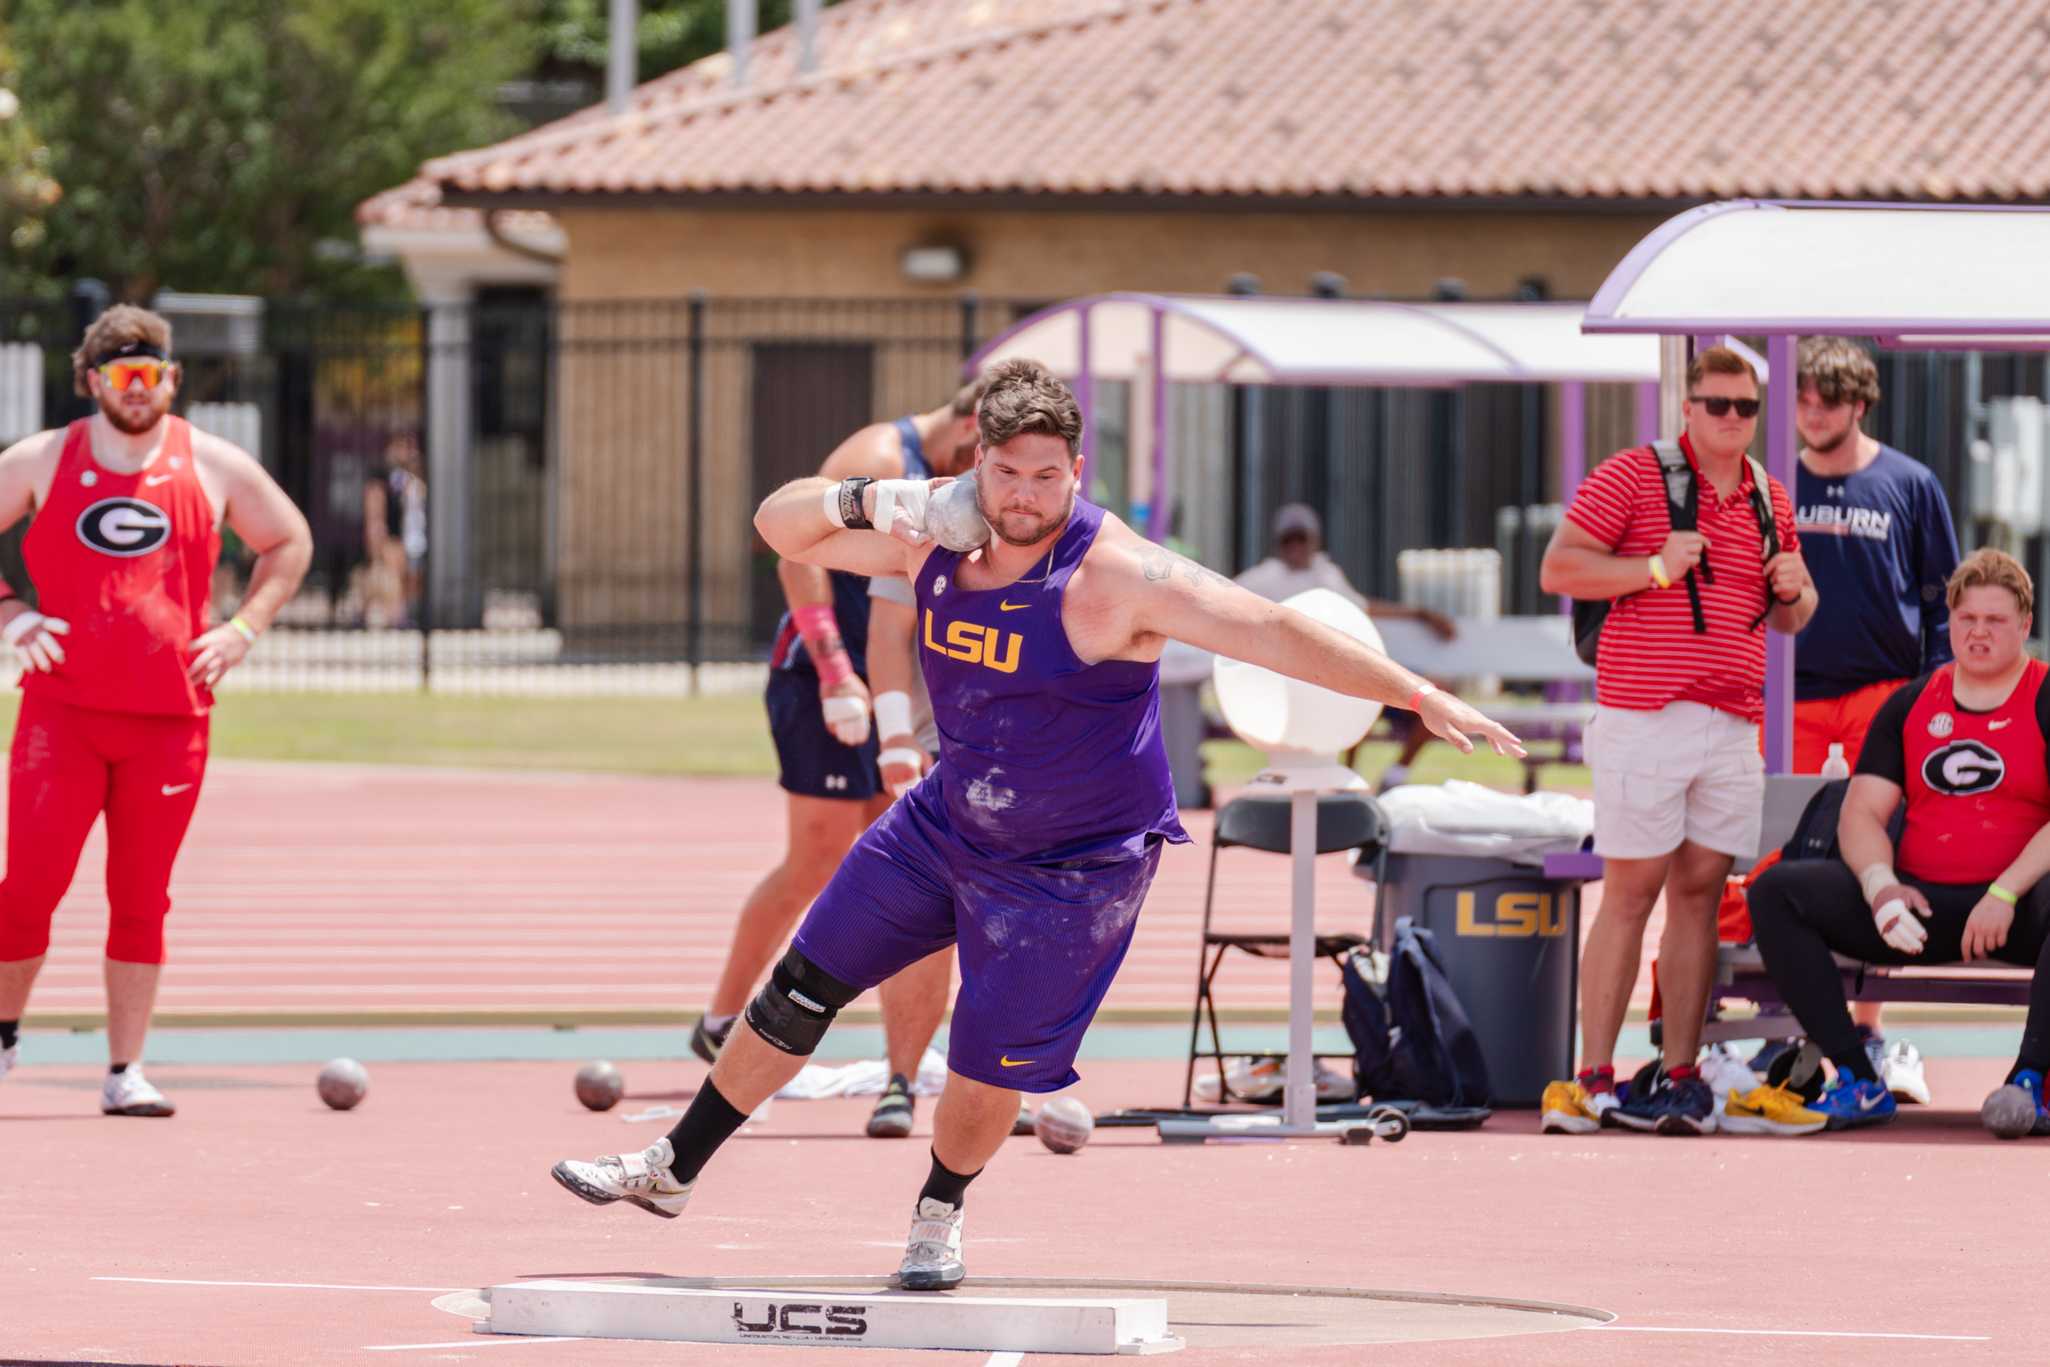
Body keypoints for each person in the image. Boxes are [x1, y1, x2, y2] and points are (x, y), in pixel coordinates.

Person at [552, 359, 1522, 1289]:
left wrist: (1416, 692)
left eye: (1044, 476)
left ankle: (939, 1210)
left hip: (1075, 865)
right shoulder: (930, 537)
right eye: (1005, 472)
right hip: (949, 815)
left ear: (1076, 473)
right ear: (974, 460)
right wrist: (880, 501)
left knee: (985, 1062)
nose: (1022, 495)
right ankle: (673, 1164)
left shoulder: (1119, 576)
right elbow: (779, 525)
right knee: (802, 983)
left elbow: (1267, 627)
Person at [0, 305, 312, 1114]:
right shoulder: (43, 459)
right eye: (119, 377)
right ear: (91, 382)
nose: (136, 393)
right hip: (60, 717)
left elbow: (289, 540)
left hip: (171, 723)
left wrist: (244, 629)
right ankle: (2, 1034)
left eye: (150, 376)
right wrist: (10, 613)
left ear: (173, 379)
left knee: (142, 897)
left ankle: (123, 1069)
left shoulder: (211, 463)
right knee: (28, 888)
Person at [689, 378, 988, 1143]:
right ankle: (722, 1019)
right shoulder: (881, 453)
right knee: (817, 857)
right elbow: (796, 557)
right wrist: (833, 669)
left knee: (906, 874)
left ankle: (901, 1071)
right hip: (826, 680)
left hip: (894, 694)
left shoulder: (970, 477)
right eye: (985, 454)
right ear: (967, 425)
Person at [1536, 345, 1815, 1137]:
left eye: (1746, 407)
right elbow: (1560, 568)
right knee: (1631, 891)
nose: (1732, 419)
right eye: (1716, 403)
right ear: (1687, 407)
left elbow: (1793, 613)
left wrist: (1797, 589)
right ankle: (1591, 1076)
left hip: (1732, 725)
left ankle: (1680, 1071)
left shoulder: (1769, 493)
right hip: (1644, 715)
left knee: (1699, 893)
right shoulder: (1634, 473)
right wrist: (1654, 567)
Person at [1729, 550, 2050, 1135]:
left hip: (2018, 912)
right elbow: (1861, 814)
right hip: (1919, 910)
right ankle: (1856, 1076)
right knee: (1778, 891)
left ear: (2025, 625)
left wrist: (2005, 892)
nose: (1978, 632)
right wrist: (1881, 889)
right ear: (1949, 622)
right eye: (1966, 618)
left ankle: (2031, 1079)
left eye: (1995, 620)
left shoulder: (2045, 694)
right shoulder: (1911, 703)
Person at [1770, 337, 1961, 1102]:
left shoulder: (1909, 483)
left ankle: (1869, 1021)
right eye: (1802, 398)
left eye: (1826, 399)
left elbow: (1941, 596)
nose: (1810, 411)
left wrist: (1935, 697)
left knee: (1880, 847)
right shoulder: (1773, 482)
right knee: (1773, 851)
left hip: (1885, 692)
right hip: (1789, 691)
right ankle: (1782, 1025)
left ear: (1858, 403)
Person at [1232, 503, 1454, 789]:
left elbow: (1364, 607)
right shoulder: (1263, 578)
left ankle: (1390, 775)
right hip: (1299, 683)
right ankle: (1344, 780)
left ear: (1314, 541)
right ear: (1279, 544)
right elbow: (1225, 599)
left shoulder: (1327, 575)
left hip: (1345, 673)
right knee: (1353, 688)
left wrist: (1419, 614)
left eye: (1302, 539)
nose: (1296, 547)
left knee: (1434, 694)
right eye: (1290, 540)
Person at [362, 433, 427, 628]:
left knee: (410, 577)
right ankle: (394, 615)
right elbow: (376, 506)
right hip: (396, 534)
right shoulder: (383, 477)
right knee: (393, 575)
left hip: (413, 534)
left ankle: (400, 614)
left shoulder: (414, 478)